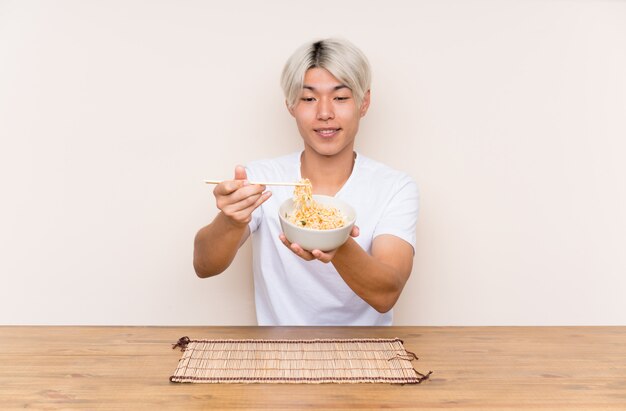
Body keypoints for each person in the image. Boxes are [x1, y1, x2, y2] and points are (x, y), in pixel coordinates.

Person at [193, 38, 419, 325]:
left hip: (368, 357)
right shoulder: (264, 179)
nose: (324, 113)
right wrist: (231, 220)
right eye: (309, 99)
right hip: (279, 355)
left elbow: (387, 292)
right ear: (290, 105)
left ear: (364, 103)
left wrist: (333, 240)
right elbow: (204, 265)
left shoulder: (395, 187)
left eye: (340, 97)